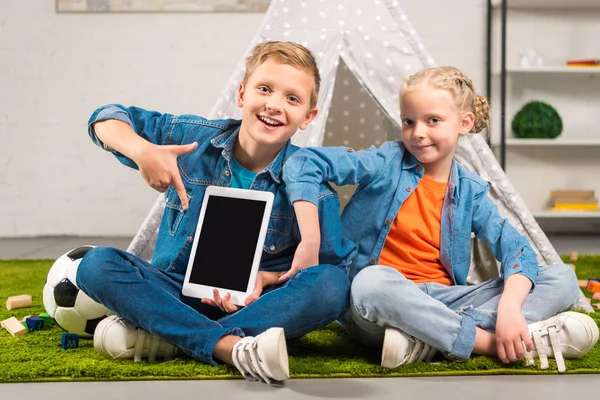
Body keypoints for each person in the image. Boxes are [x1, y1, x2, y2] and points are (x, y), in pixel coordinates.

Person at [282, 66, 598, 372]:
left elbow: (516, 251)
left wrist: (509, 308)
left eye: (433, 121)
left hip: (447, 301)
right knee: (368, 282)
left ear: (464, 122)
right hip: (381, 304)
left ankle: (426, 339)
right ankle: (485, 342)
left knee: (562, 279)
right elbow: (304, 162)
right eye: (408, 121)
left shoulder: (470, 191)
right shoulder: (385, 161)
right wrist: (311, 239)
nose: (418, 133)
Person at [76, 41, 356, 385]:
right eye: (264, 89)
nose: (274, 105)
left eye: (292, 98)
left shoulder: (312, 190)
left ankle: (175, 336)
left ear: (307, 117)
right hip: (171, 291)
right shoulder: (193, 140)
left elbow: (330, 273)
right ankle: (229, 345)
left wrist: (266, 280)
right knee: (95, 264)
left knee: (332, 285)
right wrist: (142, 151)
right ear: (242, 94)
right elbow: (104, 117)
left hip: (254, 309)